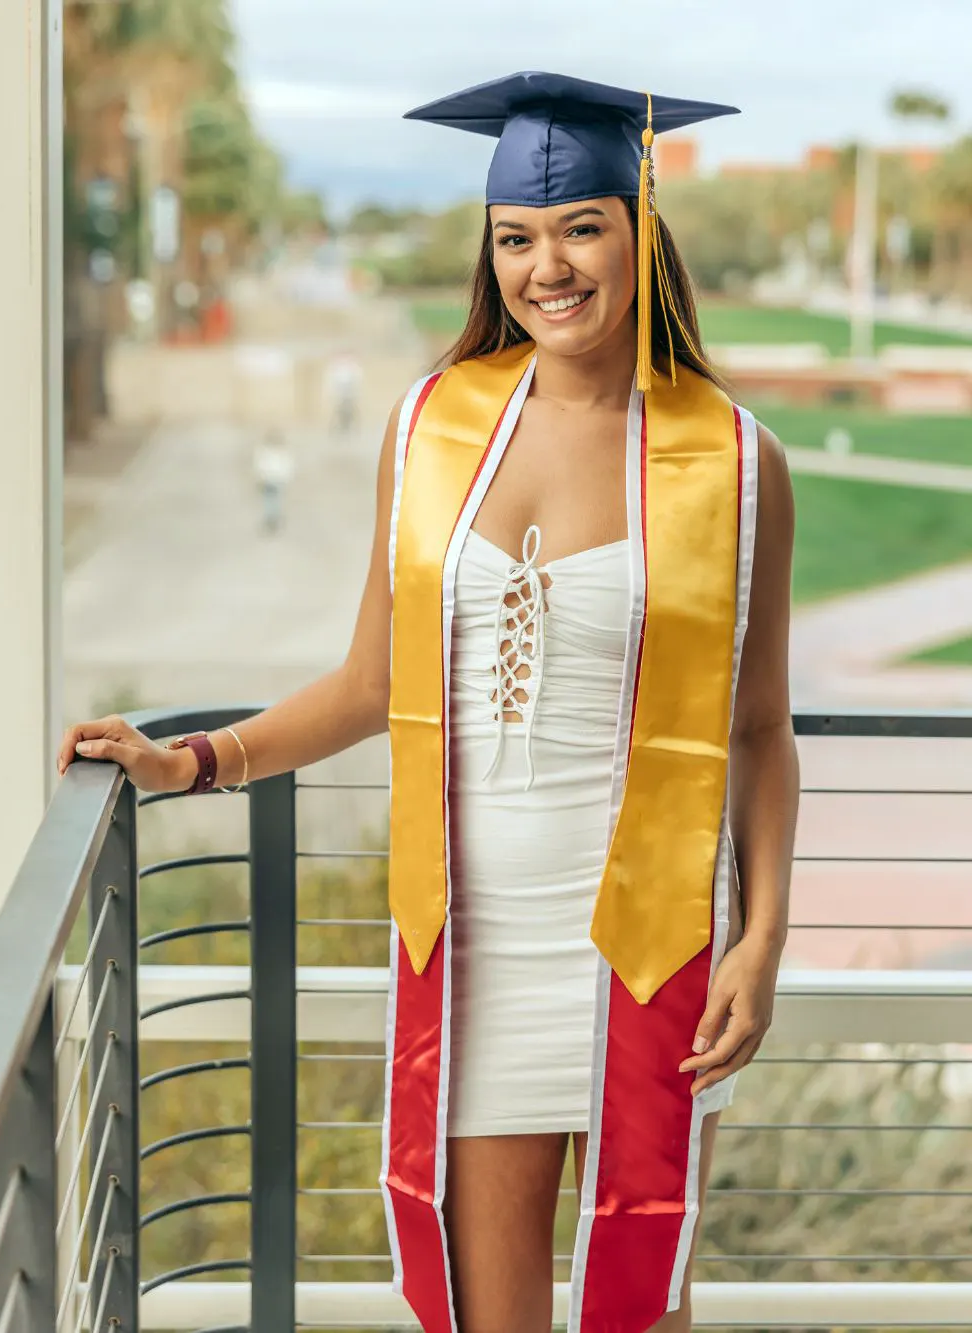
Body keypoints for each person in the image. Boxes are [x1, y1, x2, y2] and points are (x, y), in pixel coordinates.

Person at [58, 70, 800, 1333]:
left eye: (580, 228)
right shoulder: (431, 425)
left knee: (639, 1310)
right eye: (516, 237)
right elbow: (369, 684)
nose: (546, 266)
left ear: (642, 225)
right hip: (475, 943)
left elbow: (755, 731)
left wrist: (765, 937)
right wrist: (194, 762)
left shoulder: (733, 461)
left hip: (655, 938)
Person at [252, 428, 295, 532]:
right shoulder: (271, 452)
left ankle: (272, 520)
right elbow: (261, 465)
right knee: (272, 501)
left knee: (272, 501)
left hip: (274, 479)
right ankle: (272, 520)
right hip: (272, 480)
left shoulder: (270, 452)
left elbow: (287, 466)